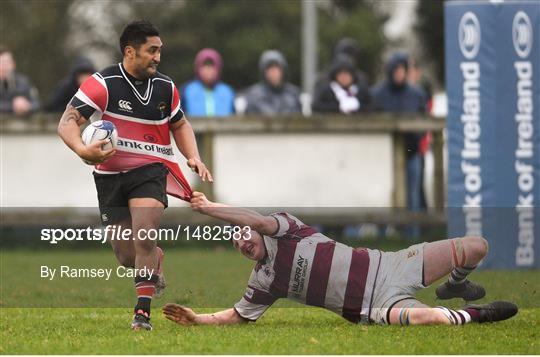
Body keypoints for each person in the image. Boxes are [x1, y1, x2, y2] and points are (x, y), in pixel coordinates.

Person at [57, 20, 213, 331]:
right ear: (130, 51)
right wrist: (83, 150)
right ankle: (156, 258)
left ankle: (142, 315)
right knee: (127, 254)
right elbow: (68, 121)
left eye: (159, 51)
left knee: (144, 232)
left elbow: (180, 125)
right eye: (151, 50)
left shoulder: (166, 88)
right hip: (109, 177)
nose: (157, 56)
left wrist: (192, 156)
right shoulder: (103, 84)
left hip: (151, 170)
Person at [163, 191, 518, 327]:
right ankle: (478, 316)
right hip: (371, 307)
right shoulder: (263, 281)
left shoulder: (286, 228)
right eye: (236, 244)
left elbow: (254, 219)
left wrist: (211, 208)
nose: (242, 242)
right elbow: (237, 316)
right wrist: (198, 319)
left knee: (477, 246)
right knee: (429, 320)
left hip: (391, 263)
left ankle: (455, 287)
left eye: (243, 234)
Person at [371, 51, 427, 238]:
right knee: (383, 197)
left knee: (413, 197)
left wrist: (414, 138)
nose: (399, 73)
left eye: (402, 69)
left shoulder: (416, 94)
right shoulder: (377, 94)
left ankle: (413, 237)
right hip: (384, 156)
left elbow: (424, 121)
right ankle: (381, 236)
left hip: (411, 153)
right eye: (396, 69)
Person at [313, 38, 370, 114]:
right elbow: (316, 106)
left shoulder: (361, 79)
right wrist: (338, 106)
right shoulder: (324, 81)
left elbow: (370, 104)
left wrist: (357, 106)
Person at [242, 50, 301, 115]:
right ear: (264, 72)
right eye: (270, 69)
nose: (274, 73)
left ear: (283, 70)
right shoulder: (254, 96)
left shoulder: (293, 94)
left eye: (277, 68)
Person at [181, 48, 235, 117]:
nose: (208, 70)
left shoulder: (227, 91)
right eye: (205, 66)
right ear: (198, 68)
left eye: (212, 66)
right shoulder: (187, 90)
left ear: (218, 68)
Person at [0, 48, 40, 117]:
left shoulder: (24, 82)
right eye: (1, 62)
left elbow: (37, 103)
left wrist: (27, 106)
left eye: (6, 62)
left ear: (13, 64)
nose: (3, 66)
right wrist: (13, 106)